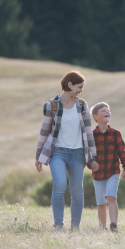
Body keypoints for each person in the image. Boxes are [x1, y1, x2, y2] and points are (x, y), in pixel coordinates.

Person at [34, 71, 98, 231]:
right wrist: (38, 156)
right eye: (79, 87)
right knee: (60, 185)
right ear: (69, 85)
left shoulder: (82, 105)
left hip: (77, 154)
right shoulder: (52, 106)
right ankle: (58, 225)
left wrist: (93, 157)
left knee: (77, 191)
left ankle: (75, 226)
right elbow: (44, 131)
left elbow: (88, 133)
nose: (81, 91)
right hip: (58, 153)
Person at [91, 102, 125, 232]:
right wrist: (90, 164)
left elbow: (122, 153)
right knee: (101, 202)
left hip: (112, 171)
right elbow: (88, 155)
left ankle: (113, 225)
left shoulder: (115, 134)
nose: (107, 112)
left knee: (111, 197)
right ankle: (102, 227)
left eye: (108, 110)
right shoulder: (91, 135)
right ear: (95, 116)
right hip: (98, 174)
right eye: (103, 111)